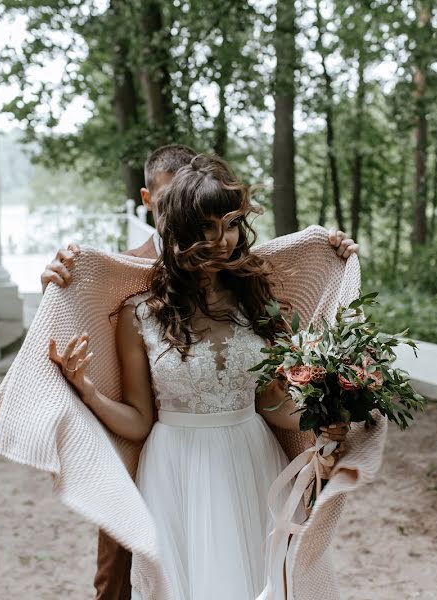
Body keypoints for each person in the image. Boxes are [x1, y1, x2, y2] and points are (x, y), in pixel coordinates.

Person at [47, 155, 349, 599]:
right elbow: (138, 420)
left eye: (229, 225)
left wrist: (319, 419)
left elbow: (270, 403)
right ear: (182, 230)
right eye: (208, 227)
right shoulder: (139, 314)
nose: (223, 240)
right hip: (176, 470)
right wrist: (86, 389)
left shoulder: (258, 302)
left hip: (251, 461)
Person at [39, 144, 359, 294]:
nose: (180, 214)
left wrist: (332, 251)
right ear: (147, 200)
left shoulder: (237, 264)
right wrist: (56, 290)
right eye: (169, 202)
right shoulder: (125, 267)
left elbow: (299, 283)